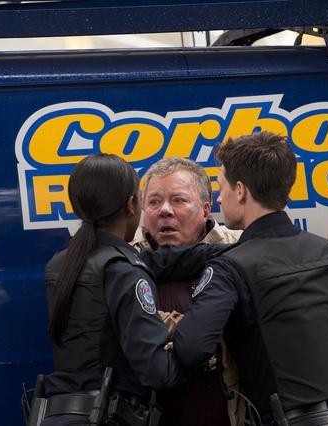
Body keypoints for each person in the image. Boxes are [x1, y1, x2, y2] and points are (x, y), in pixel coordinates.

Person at [169, 132, 328, 425]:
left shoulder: (230, 267)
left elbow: (191, 348)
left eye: (221, 188)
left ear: (241, 191)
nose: (219, 198)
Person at [38, 153, 220, 426]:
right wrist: (194, 350)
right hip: (107, 415)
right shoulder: (124, 270)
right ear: (131, 205)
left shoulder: (61, 264)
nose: (164, 210)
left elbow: (166, 262)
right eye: (151, 201)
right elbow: (157, 371)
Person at [131, 157, 241, 426]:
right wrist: (192, 331)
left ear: (205, 210)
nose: (165, 210)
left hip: (230, 410)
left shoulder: (241, 249)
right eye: (154, 202)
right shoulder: (125, 259)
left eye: (178, 200)